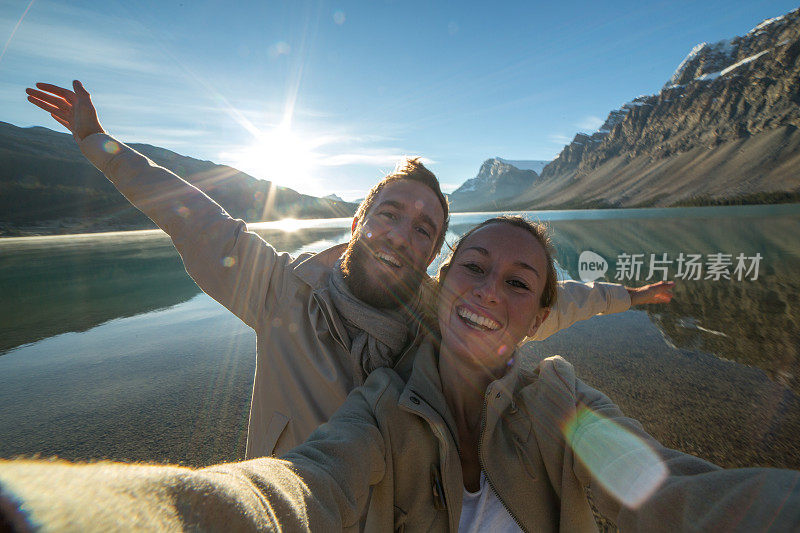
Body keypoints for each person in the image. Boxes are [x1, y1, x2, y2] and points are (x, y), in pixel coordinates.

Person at [0, 216, 796, 532]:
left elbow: (681, 497)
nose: (488, 291)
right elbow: (297, 489)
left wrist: (630, 295)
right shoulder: (383, 412)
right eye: (472, 267)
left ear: (535, 316)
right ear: (442, 283)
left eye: (517, 284)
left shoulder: (564, 399)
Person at [25, 81, 675, 458]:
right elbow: (190, 212)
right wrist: (97, 145)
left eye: (425, 229)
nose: (402, 235)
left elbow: (547, 308)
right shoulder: (280, 291)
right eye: (390, 214)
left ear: (433, 252)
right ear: (359, 221)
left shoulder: (444, 319)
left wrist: (632, 294)